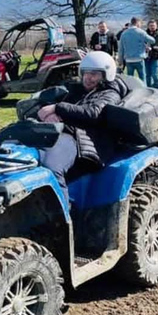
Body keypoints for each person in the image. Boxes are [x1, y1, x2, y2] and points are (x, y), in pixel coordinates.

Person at [37, 51, 128, 202]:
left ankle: (61, 213)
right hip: (68, 134)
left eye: (94, 74)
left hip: (88, 144)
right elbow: (64, 106)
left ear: (106, 75)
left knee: (51, 168)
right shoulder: (80, 91)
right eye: (85, 73)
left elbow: (92, 113)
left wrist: (57, 108)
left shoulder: (110, 94)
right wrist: (49, 114)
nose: (88, 78)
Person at [118, 17, 155, 83]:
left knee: (130, 79)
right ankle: (143, 89)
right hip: (139, 58)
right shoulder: (141, 32)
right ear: (137, 23)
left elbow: (121, 49)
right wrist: (145, 44)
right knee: (142, 78)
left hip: (128, 60)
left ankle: (131, 89)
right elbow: (152, 41)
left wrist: (120, 61)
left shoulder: (124, 33)